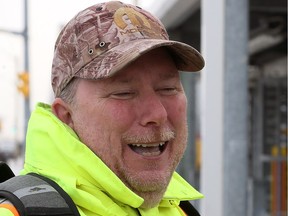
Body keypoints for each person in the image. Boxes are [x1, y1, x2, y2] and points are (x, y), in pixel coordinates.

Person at [0, 1, 205, 215]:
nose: (157, 114)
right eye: (124, 93)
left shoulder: (180, 209)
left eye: (168, 88)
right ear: (67, 116)